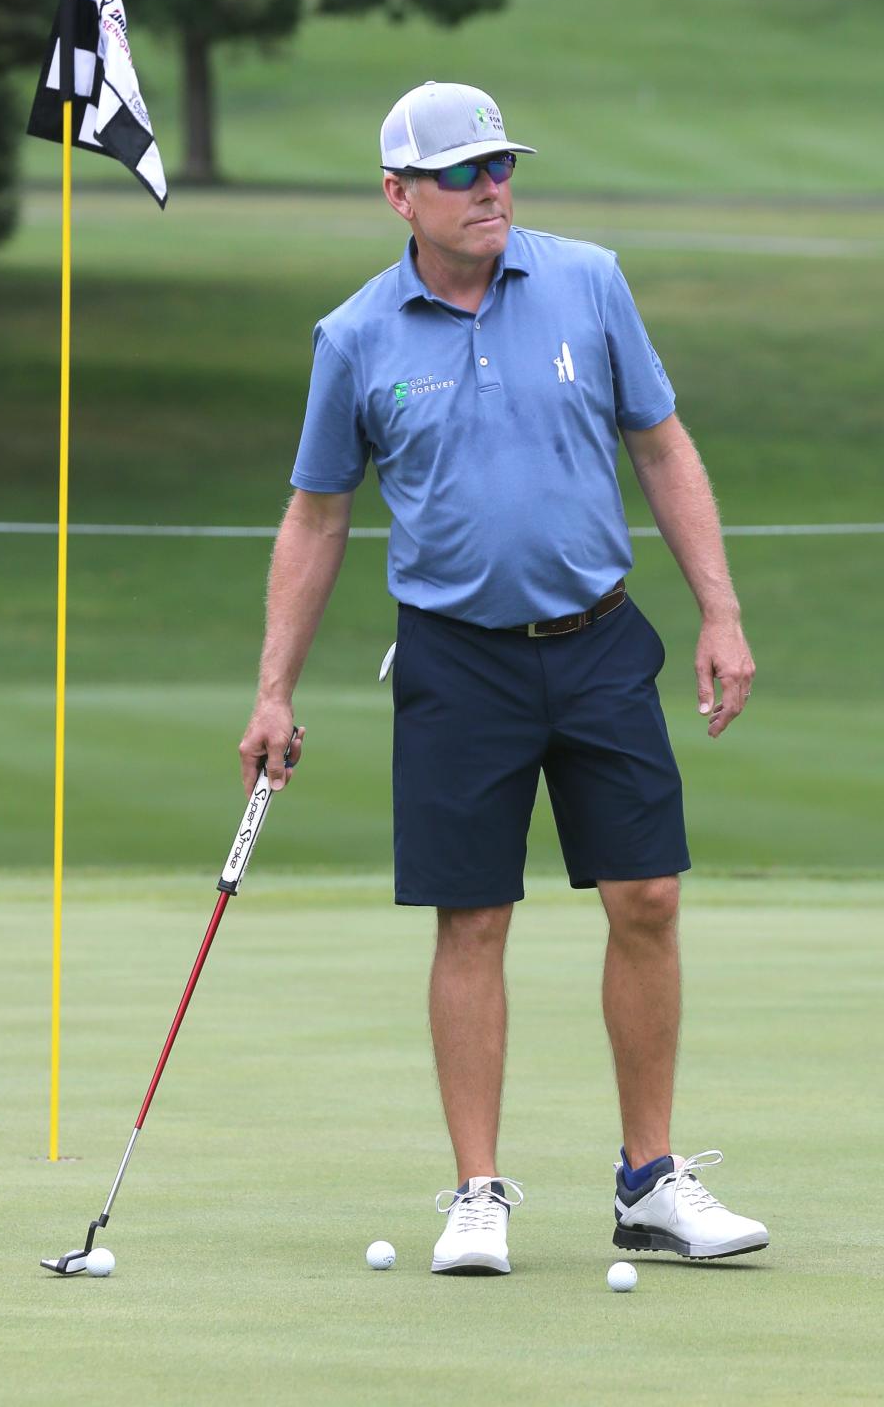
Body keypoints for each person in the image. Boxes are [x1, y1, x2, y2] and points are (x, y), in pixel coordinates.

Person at [238, 81, 768, 1275]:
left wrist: (721, 612)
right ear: (399, 195)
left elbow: (663, 446)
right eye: (462, 172)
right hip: (454, 664)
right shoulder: (356, 335)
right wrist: (274, 689)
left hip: (599, 645)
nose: (491, 188)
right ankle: (477, 1192)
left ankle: (649, 1182)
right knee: (471, 917)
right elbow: (317, 517)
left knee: (649, 899)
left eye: (500, 166)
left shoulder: (589, 280)